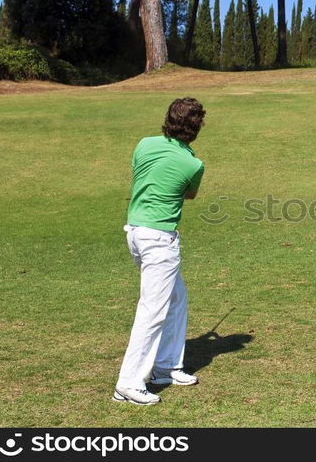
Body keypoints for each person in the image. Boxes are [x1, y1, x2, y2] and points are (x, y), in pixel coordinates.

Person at [113, 98, 206, 405]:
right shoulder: (193, 163)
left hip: (136, 232)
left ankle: (167, 366)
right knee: (152, 311)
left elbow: (144, 173)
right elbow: (189, 194)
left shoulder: (144, 145)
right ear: (196, 128)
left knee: (176, 298)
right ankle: (129, 383)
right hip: (159, 241)